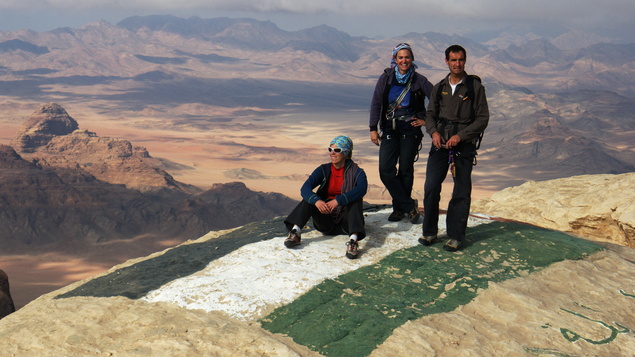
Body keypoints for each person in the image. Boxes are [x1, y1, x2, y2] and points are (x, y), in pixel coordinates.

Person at [419, 44, 489, 252]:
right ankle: (430, 231)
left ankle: (456, 236)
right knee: (431, 186)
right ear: (446, 61)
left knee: (461, 190)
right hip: (440, 144)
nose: (457, 64)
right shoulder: (439, 87)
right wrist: (433, 132)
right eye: (453, 60)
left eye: (460, 60)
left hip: (463, 146)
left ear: (465, 61)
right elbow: (429, 114)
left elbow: (482, 118)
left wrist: (461, 136)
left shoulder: (475, 88)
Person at [369, 43, 433, 223]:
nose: (404, 60)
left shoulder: (419, 80)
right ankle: (408, 204)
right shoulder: (386, 78)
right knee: (386, 169)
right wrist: (373, 128)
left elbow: (436, 100)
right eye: (400, 57)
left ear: (412, 59)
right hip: (389, 128)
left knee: (405, 169)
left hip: (410, 130)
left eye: (407, 57)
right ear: (395, 59)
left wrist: (426, 120)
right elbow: (376, 103)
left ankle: (399, 209)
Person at [283, 135, 368, 259]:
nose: (332, 153)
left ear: (346, 152)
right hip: (325, 220)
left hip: (346, 223)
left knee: (355, 201)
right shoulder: (323, 169)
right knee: (310, 198)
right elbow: (305, 188)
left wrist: (339, 200)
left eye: (337, 150)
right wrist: (317, 201)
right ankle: (296, 232)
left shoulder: (357, 172)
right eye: (330, 149)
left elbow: (361, 189)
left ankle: (353, 241)